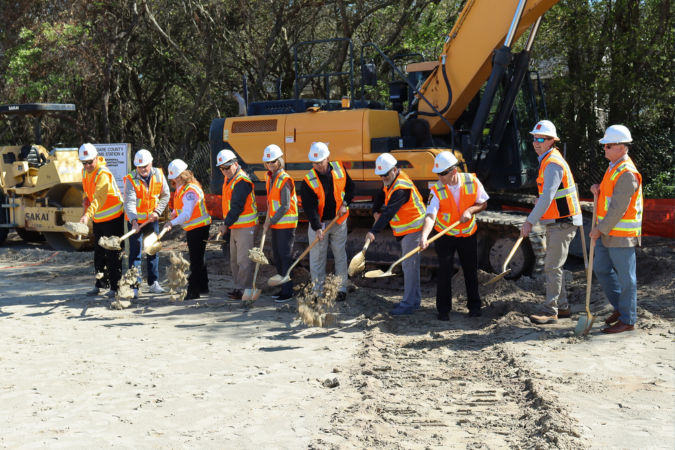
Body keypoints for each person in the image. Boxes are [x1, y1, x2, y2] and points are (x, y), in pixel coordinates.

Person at [521, 120, 582, 325]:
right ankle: (562, 307)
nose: (536, 143)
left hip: (562, 222)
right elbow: (549, 196)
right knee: (554, 266)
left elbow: (548, 197)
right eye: (534, 139)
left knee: (552, 266)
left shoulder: (552, 163)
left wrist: (529, 222)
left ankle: (550, 311)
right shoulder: (547, 160)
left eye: (541, 139)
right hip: (557, 221)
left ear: (551, 141)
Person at [420, 151, 489, 320]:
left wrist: (470, 210)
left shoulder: (472, 181)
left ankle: (474, 307)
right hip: (445, 235)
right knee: (444, 272)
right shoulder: (436, 190)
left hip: (468, 234)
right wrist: (424, 236)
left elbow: (483, 203)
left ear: (453, 171)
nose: (440, 176)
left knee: (470, 271)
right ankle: (443, 311)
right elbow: (431, 215)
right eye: (438, 173)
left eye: (443, 173)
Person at [590, 125, 642, 334]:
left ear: (621, 147)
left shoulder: (627, 173)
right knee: (601, 269)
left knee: (626, 278)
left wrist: (599, 229)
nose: (604, 148)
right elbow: (609, 194)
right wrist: (597, 188)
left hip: (620, 235)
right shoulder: (613, 166)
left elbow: (618, 208)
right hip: (606, 232)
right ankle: (621, 309)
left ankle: (628, 319)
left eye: (608, 145)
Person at [365, 153, 425, 315]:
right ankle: (414, 301)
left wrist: (373, 231)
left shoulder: (401, 188)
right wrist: (374, 210)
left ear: (395, 170)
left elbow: (389, 212)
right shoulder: (390, 181)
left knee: (408, 266)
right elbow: (380, 194)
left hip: (414, 228)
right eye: (381, 175)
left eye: (385, 174)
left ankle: (407, 305)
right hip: (407, 229)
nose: (383, 178)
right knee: (410, 266)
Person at [301, 142, 355, 302]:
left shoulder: (339, 168)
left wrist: (345, 204)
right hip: (320, 223)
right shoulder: (308, 180)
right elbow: (309, 208)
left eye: (320, 162)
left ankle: (341, 289)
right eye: (314, 162)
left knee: (340, 255)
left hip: (339, 221)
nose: (317, 165)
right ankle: (317, 292)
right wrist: (317, 227)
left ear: (328, 158)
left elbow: (351, 188)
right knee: (317, 258)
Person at [79, 143, 125, 298]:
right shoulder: (85, 172)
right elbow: (88, 191)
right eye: (83, 162)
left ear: (96, 158)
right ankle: (100, 284)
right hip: (99, 218)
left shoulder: (103, 174)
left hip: (113, 218)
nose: (87, 165)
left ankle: (115, 287)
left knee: (112, 253)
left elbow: (99, 197)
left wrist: (87, 215)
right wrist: (85, 199)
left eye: (89, 162)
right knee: (99, 253)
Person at [123, 149, 170, 298]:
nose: (142, 169)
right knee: (135, 254)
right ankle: (134, 286)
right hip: (136, 223)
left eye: (145, 166)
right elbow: (129, 202)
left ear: (151, 163)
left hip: (152, 221)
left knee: (153, 251)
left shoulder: (159, 175)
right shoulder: (130, 179)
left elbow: (165, 195)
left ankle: (153, 283)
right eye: (139, 167)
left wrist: (158, 211)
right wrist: (134, 221)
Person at [162, 159, 212, 300]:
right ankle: (203, 286)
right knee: (198, 257)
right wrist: (173, 214)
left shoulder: (190, 190)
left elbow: (187, 214)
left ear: (185, 174)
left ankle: (193, 290)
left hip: (199, 226)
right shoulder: (181, 188)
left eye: (178, 177)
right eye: (173, 178)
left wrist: (172, 223)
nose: (175, 180)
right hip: (193, 227)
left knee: (195, 260)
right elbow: (180, 208)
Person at [217, 149, 258, 300]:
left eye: (227, 167)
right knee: (234, 260)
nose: (224, 171)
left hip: (245, 227)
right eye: (221, 168)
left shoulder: (241, 181)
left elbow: (237, 207)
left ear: (236, 164)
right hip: (236, 226)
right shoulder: (230, 180)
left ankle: (245, 290)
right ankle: (239, 287)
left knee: (243, 260)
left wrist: (226, 224)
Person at [262, 144, 298, 303]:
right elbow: (272, 202)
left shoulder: (284, 179)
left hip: (286, 224)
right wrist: (269, 220)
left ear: (280, 161)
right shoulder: (269, 177)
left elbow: (285, 205)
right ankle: (283, 286)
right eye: (268, 162)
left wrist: (271, 221)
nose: (270, 164)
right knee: (276, 256)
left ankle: (288, 291)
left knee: (285, 256)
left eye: (273, 161)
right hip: (276, 224)